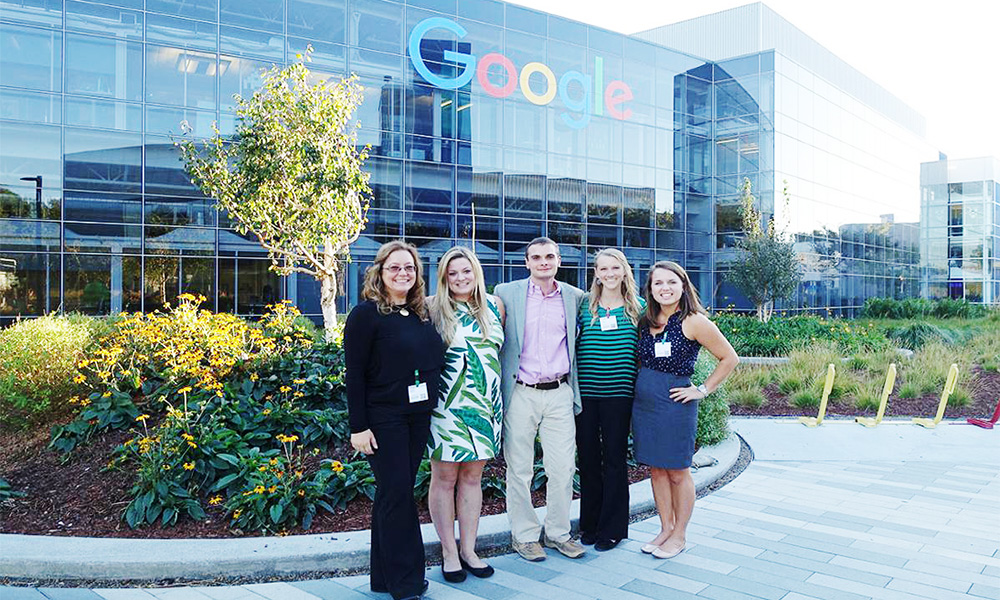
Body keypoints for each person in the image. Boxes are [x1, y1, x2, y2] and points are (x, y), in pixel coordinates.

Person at [344, 240, 444, 600]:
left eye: (410, 268)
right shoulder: (365, 315)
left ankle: (382, 579)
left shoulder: (421, 313)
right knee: (399, 494)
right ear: (380, 272)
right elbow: (353, 374)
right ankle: (407, 582)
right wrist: (358, 427)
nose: (403, 273)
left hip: (417, 418)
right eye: (395, 267)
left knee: (392, 494)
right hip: (383, 418)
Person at [633, 261, 738, 559]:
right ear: (650, 289)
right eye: (658, 284)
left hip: (676, 405)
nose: (664, 288)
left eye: (671, 282)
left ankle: (679, 534)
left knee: (678, 471)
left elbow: (729, 358)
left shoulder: (694, 321)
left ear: (683, 285)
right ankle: (665, 528)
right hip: (645, 404)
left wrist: (701, 389)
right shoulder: (647, 320)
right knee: (656, 470)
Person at [494, 237, 586, 562]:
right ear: (527, 262)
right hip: (520, 391)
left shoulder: (575, 297)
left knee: (562, 468)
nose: (543, 262)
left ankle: (559, 533)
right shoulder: (506, 293)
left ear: (558, 260)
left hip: (560, 392)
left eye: (549, 256)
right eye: (536, 257)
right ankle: (525, 536)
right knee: (519, 469)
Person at [426, 247, 505, 582]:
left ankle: (469, 549)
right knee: (444, 479)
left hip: (486, 407)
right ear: (444, 276)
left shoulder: (495, 307)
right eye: (452, 273)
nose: (460, 278)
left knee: (474, 478)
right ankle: (448, 552)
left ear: (476, 273)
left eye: (466, 272)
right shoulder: (431, 307)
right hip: (447, 406)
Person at [574, 248, 645, 552]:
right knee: (588, 461)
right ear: (596, 274)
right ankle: (589, 525)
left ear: (624, 270)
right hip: (586, 396)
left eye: (614, 268)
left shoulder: (638, 309)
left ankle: (613, 529)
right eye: (603, 269)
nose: (609, 274)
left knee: (614, 461)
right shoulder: (584, 307)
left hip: (619, 396)